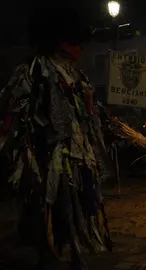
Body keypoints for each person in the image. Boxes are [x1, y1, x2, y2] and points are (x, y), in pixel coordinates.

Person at [0, 5, 112, 269]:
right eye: (75, 42)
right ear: (59, 41)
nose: (81, 49)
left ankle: (65, 253)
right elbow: (17, 118)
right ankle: (48, 255)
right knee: (51, 210)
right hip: (48, 159)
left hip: (77, 157)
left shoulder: (77, 77)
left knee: (79, 207)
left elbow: (88, 114)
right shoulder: (33, 73)